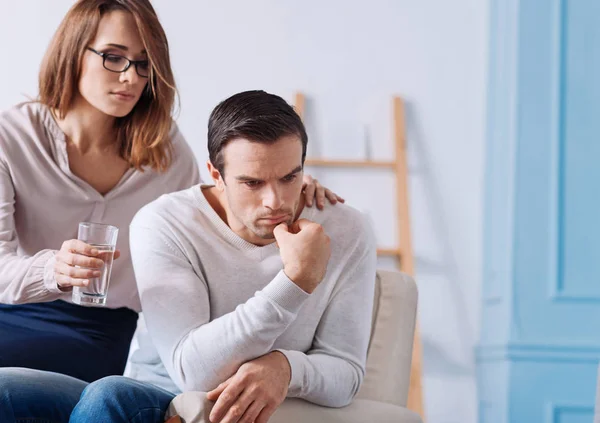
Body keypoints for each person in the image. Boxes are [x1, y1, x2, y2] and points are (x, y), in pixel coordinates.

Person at [0, 0, 340, 384]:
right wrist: (53, 270)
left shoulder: (165, 150)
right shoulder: (10, 138)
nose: (131, 77)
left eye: (144, 64)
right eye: (114, 57)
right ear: (72, 53)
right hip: (13, 314)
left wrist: (280, 182)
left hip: (101, 332)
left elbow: (209, 222)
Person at [0, 90, 376, 423]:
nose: (275, 201)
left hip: (153, 403)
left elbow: (347, 373)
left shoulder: (345, 230)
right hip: (159, 396)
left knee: (107, 397)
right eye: (252, 182)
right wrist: (295, 283)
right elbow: (192, 372)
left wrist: (286, 368)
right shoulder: (165, 222)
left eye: (289, 177)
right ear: (215, 174)